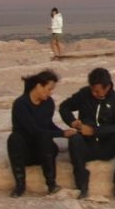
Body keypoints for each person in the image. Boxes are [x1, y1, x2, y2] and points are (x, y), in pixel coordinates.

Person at [59, 67, 115, 200]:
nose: (93, 93)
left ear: (107, 87)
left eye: (97, 91)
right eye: (92, 89)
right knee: (74, 139)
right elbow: (64, 107)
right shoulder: (84, 94)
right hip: (87, 146)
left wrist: (94, 131)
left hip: (107, 147)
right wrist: (72, 122)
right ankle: (82, 186)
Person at [7, 69, 75, 197]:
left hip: (43, 150)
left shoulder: (48, 103)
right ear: (39, 86)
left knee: (44, 139)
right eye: (49, 89)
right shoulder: (21, 104)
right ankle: (20, 185)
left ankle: (51, 184)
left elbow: (48, 125)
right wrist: (61, 134)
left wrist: (63, 132)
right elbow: (33, 130)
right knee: (14, 139)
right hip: (24, 151)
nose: (50, 93)